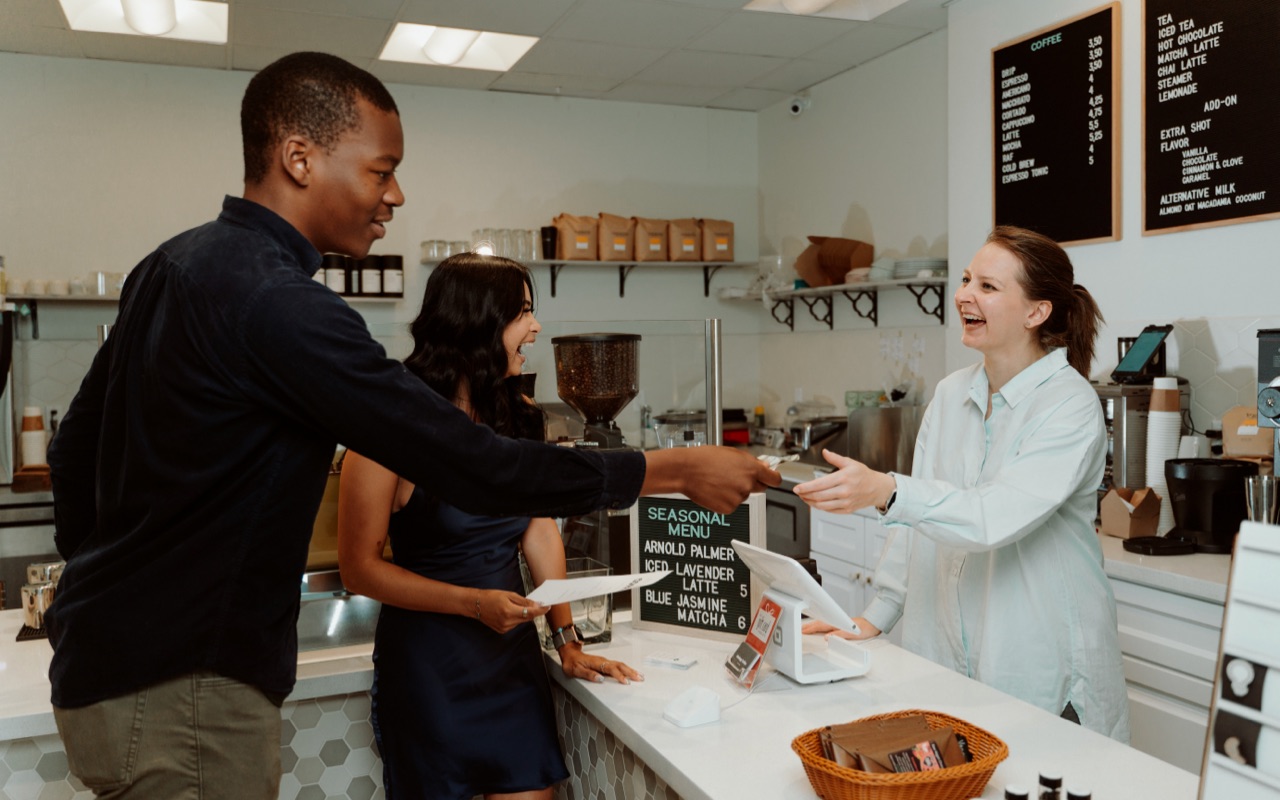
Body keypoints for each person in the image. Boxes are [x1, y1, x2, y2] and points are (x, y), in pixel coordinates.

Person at [45, 51, 778, 800]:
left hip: (106, 668)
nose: (396, 194)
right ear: (299, 158)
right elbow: (476, 466)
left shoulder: (171, 265)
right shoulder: (282, 304)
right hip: (185, 687)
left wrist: (115, 594)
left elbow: (74, 457)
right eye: (380, 169)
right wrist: (674, 469)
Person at [794, 226, 1130, 742]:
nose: (964, 294)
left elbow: (993, 516)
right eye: (968, 279)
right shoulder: (952, 394)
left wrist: (888, 490)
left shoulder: (1069, 404)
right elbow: (915, 525)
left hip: (1041, 663)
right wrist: (874, 616)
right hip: (950, 663)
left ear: (1036, 312)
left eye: (988, 287)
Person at [338, 254, 642, 799]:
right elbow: (359, 570)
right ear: (476, 323)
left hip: (510, 665)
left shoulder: (520, 416)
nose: (536, 327)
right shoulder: (387, 426)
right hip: (429, 670)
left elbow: (538, 528)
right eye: (523, 312)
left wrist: (566, 638)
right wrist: (473, 604)